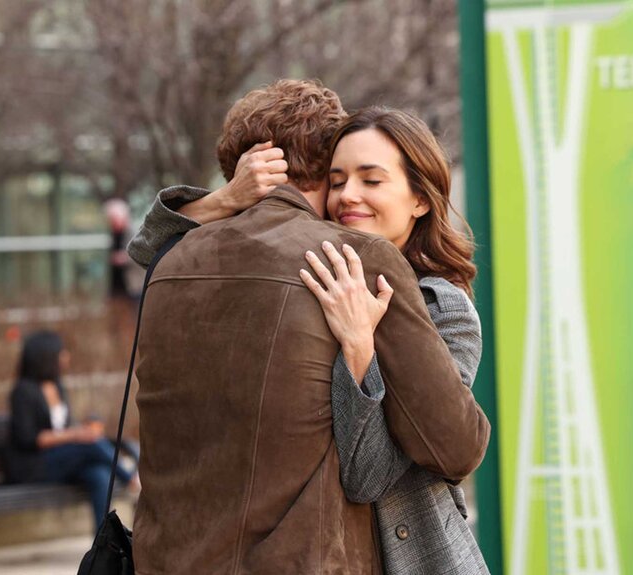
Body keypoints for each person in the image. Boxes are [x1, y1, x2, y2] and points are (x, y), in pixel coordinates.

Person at [130, 80, 489, 574]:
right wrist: (222, 200)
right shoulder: (330, 262)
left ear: (420, 199)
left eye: (371, 180)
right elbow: (149, 250)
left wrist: (361, 349)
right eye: (337, 179)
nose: (347, 197)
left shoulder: (438, 302)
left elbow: (392, 469)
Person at [5, 330, 137, 533]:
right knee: (90, 443)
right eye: (61, 352)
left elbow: (63, 427)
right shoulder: (23, 391)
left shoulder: (57, 387)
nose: (65, 357)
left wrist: (83, 427)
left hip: (62, 461)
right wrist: (76, 435)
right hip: (34, 466)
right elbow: (28, 438)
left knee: (99, 475)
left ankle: (100, 544)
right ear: (45, 356)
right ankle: (130, 479)